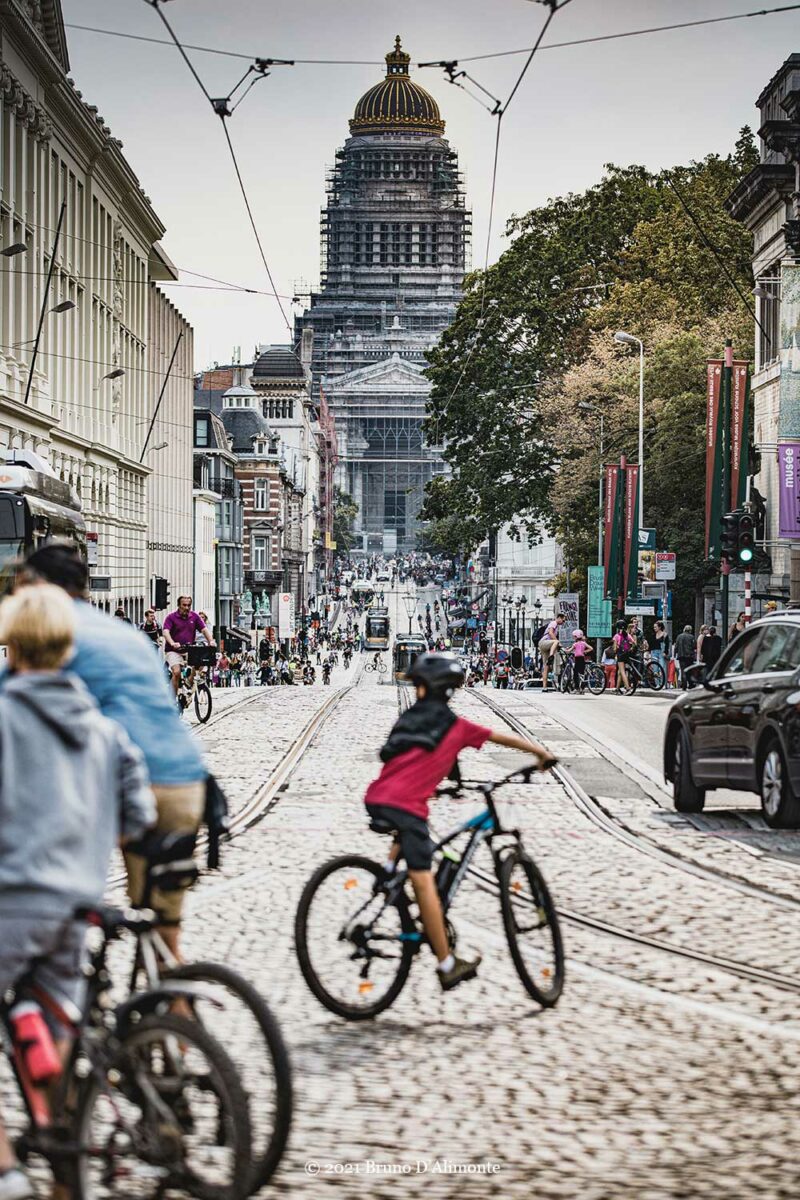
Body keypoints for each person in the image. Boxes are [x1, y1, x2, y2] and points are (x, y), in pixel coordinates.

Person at [0, 585, 155, 1200]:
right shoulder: (100, 724)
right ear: (67, 649)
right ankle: (61, 1138)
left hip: (11, 901)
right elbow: (138, 814)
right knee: (58, 1015)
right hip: (78, 904)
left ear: (11, 646)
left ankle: (7, 1167)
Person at [19, 546, 207, 962]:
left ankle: (69, 1002)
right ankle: (169, 1009)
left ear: (35, 590)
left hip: (125, 781)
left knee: (51, 900)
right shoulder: (126, 635)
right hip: (186, 781)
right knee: (161, 925)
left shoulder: (43, 635)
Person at [364, 653, 558, 992]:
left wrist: (446, 782)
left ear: (423, 690)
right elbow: (502, 738)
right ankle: (447, 964)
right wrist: (539, 753)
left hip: (379, 797)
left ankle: (388, 871)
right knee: (424, 882)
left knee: (414, 840)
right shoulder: (456, 727)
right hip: (405, 807)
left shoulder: (408, 719)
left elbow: (412, 758)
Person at [163, 596, 215, 697]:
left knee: (201, 663)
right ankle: (172, 701)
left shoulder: (194, 617)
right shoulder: (171, 617)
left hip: (189, 649)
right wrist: (172, 642)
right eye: (184, 605)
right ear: (179, 605)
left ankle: (188, 683)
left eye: (189, 605)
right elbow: (165, 632)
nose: (187, 608)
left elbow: (204, 630)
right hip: (173, 650)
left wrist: (211, 641)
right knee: (176, 672)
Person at [539, 613, 565, 692]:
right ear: (559, 618)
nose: (563, 622)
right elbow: (550, 633)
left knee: (546, 667)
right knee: (556, 641)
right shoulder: (554, 623)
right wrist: (558, 642)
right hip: (544, 643)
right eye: (563, 620)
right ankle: (551, 656)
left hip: (547, 646)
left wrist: (564, 649)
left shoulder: (556, 626)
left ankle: (544, 687)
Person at [612, 621, 634, 694]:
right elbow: (634, 643)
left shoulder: (616, 636)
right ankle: (617, 689)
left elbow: (614, 648)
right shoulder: (628, 635)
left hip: (620, 655)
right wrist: (630, 649)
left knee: (622, 672)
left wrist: (616, 649)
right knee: (619, 673)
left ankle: (628, 689)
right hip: (627, 654)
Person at [674, 625, 696, 689]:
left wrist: (675, 654)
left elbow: (676, 646)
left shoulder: (679, 636)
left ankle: (684, 685)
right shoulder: (691, 637)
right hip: (689, 656)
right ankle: (690, 684)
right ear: (690, 630)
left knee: (683, 670)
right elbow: (694, 646)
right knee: (689, 670)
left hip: (681, 656)